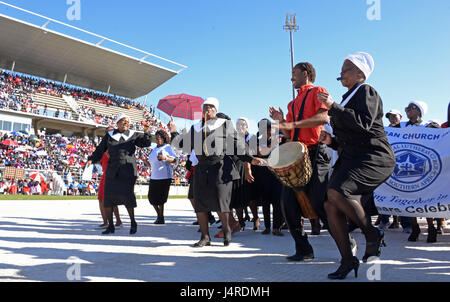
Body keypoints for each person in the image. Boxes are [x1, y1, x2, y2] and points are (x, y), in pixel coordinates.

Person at [318, 52, 395, 279]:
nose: (341, 73)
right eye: (341, 69)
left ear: (360, 73)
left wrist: (333, 107)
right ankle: (347, 260)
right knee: (330, 204)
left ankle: (372, 234)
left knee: (337, 191)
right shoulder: (346, 98)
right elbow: (349, 137)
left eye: (346, 68)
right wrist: (331, 141)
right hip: (353, 158)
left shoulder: (366, 91)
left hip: (374, 157)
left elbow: (362, 125)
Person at [169, 97, 264, 247]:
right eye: (205, 107)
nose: (207, 109)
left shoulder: (225, 125)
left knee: (221, 202)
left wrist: (250, 159)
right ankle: (205, 236)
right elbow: (183, 145)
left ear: (216, 110)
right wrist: (174, 132)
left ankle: (227, 231)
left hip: (220, 168)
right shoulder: (196, 127)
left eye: (211, 107)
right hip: (201, 169)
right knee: (200, 204)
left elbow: (237, 146)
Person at [269, 62, 331, 261]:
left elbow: (323, 118)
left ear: (305, 73)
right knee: (287, 205)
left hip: (315, 153)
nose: (291, 78)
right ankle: (304, 250)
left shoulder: (318, 91)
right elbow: (289, 132)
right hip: (297, 155)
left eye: (294, 74)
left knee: (319, 204)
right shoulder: (292, 104)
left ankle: (346, 240)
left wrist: (293, 123)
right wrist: (280, 120)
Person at [87, 113, 152, 235]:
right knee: (108, 198)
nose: (126, 123)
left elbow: (145, 143)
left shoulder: (133, 134)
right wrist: (91, 159)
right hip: (113, 169)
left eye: (128, 121)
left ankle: (133, 223)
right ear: (117, 123)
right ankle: (110, 226)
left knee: (128, 197)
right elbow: (100, 150)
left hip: (128, 169)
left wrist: (146, 131)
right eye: (123, 121)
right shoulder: (109, 135)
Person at [376, 109, 411, 232]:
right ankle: (384, 220)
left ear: (400, 117)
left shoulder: (406, 129)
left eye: (394, 116)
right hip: (387, 166)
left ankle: (406, 224)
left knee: (403, 195)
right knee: (386, 193)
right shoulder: (385, 131)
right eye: (390, 116)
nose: (392, 118)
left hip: (402, 167)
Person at [142, 130, 177, 224]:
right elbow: (151, 165)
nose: (158, 139)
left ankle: (160, 218)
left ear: (164, 138)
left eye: (160, 137)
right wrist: (145, 161)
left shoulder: (168, 147)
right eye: (156, 137)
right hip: (154, 176)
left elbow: (174, 160)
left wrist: (165, 158)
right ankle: (160, 216)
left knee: (161, 199)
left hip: (164, 175)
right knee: (151, 198)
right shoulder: (153, 149)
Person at [98, 149, 122, 229]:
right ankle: (105, 222)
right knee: (101, 199)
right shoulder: (103, 151)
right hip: (104, 176)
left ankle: (118, 221)